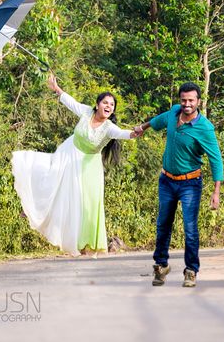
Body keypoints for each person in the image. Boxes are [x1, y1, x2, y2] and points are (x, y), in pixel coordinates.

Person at [12, 72, 139, 257]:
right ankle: (32, 208)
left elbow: (123, 134)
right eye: (105, 102)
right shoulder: (86, 112)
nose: (108, 106)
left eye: (112, 105)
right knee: (51, 177)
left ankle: (86, 244)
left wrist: (135, 132)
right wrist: (56, 89)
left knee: (87, 203)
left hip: (90, 166)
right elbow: (71, 102)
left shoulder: (109, 128)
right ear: (97, 105)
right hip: (69, 153)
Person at [133, 82, 224, 287]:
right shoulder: (174, 113)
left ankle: (191, 270)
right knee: (163, 224)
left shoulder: (205, 128)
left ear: (198, 101)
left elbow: (216, 160)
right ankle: (161, 265)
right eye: (184, 100)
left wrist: (216, 192)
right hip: (166, 180)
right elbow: (158, 120)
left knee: (190, 228)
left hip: (190, 183)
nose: (187, 104)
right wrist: (142, 128)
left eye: (191, 100)